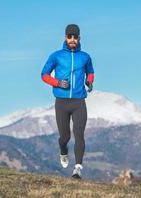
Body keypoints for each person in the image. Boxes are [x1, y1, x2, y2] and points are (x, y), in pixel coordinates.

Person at [41, 24, 95, 179]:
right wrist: (57, 83)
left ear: (79, 38)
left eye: (75, 37)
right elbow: (44, 74)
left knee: (79, 134)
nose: (72, 39)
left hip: (79, 102)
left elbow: (90, 72)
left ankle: (77, 169)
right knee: (65, 137)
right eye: (69, 36)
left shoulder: (85, 57)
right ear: (65, 37)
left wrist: (89, 81)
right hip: (62, 102)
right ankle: (63, 150)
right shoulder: (56, 56)